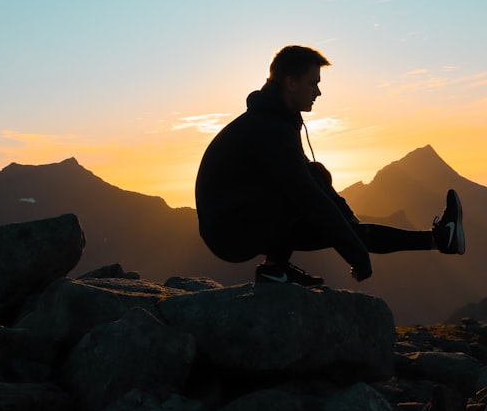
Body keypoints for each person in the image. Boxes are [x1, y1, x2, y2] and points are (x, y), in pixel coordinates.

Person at [195, 45, 465, 287]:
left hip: (244, 219)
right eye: (313, 83)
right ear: (291, 82)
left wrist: (347, 217)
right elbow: (307, 196)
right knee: (315, 197)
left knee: (319, 184)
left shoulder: (274, 122)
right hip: (230, 233)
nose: (318, 92)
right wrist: (356, 253)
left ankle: (438, 240)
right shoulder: (270, 129)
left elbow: (310, 184)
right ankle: (275, 268)